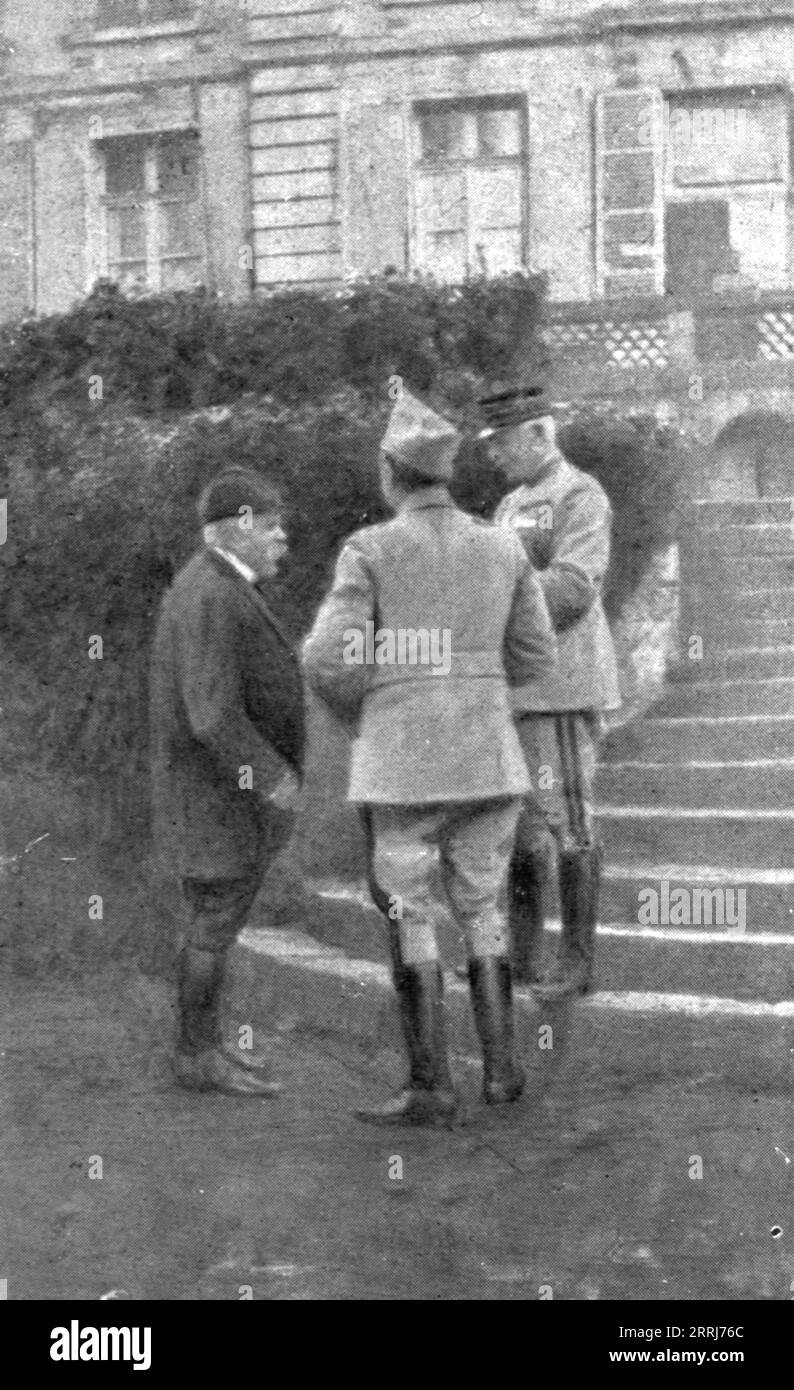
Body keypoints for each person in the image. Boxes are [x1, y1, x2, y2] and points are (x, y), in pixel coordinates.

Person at [302, 388, 556, 1125]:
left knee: (411, 913)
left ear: (391, 473)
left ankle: (430, 1087)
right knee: (484, 908)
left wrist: (376, 703)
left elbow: (328, 659)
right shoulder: (503, 545)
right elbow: (535, 655)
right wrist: (474, 683)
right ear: (446, 473)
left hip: (405, 763)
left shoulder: (370, 550)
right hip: (487, 759)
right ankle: (504, 1072)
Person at [150, 467, 305, 1094]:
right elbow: (212, 715)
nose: (282, 541)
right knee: (213, 927)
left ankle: (206, 1050)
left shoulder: (212, 584)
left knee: (213, 925)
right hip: (216, 801)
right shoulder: (213, 593)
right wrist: (270, 778)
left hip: (211, 799)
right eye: (270, 530)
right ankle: (198, 1058)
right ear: (237, 529)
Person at [479, 386, 621, 1002]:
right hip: (516, 690)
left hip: (561, 687)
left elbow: (572, 589)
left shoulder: (580, 494)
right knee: (520, 828)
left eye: (504, 441)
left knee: (569, 825)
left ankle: (578, 965)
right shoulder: (510, 503)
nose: (494, 456)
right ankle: (522, 956)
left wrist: (494, 598)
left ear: (540, 434)